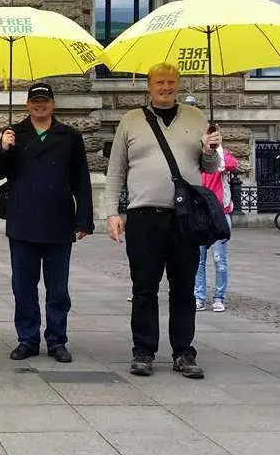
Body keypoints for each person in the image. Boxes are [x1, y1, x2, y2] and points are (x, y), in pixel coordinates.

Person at [105, 63, 220, 380]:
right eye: (160, 82)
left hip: (185, 219)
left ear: (178, 85)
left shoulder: (196, 119)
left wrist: (212, 149)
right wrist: (112, 212)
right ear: (149, 86)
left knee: (183, 288)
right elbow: (115, 171)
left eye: (171, 82)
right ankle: (143, 350)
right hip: (144, 217)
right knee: (144, 288)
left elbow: (209, 168)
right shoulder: (131, 121)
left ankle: (183, 351)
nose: (165, 87)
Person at [0, 82, 93, 363]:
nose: (40, 105)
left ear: (53, 104)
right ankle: (27, 339)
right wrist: (2, 149)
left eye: (44, 101)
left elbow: (81, 181)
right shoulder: (14, 134)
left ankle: (57, 340)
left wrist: (84, 220)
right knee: (23, 286)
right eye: (35, 101)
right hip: (23, 222)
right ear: (27, 105)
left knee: (58, 289)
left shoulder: (69, 136)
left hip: (59, 222)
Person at [195, 144, 239, 313]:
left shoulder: (222, 155)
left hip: (220, 212)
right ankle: (199, 297)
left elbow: (232, 163)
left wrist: (217, 150)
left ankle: (219, 297)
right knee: (199, 260)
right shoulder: (196, 157)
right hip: (200, 213)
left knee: (220, 259)